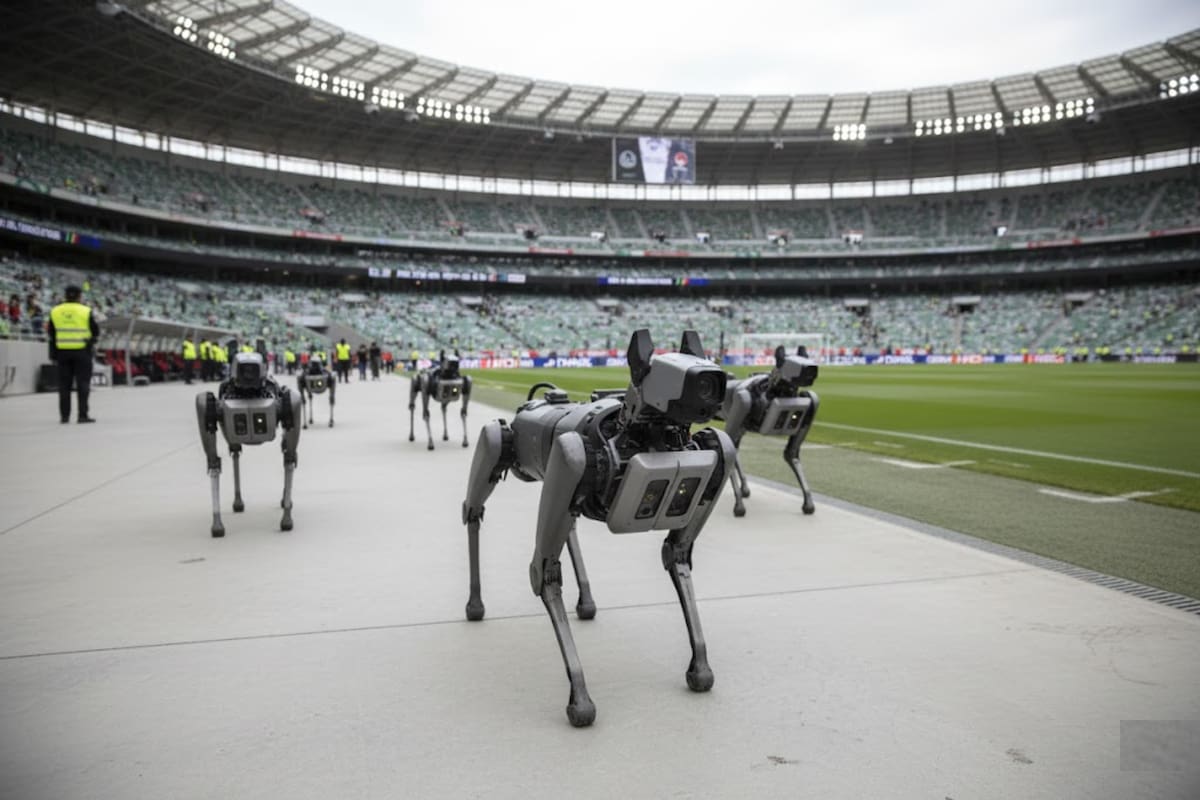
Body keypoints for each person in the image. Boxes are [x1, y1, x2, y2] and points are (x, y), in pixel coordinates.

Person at [48, 285, 99, 423]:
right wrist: (90, 342)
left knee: (64, 386)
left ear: (65, 296)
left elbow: (51, 334)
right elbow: (95, 331)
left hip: (62, 353)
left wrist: (53, 354)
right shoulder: (85, 311)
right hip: (82, 352)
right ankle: (82, 415)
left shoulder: (55, 311)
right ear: (79, 296)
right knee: (83, 384)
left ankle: (64, 417)